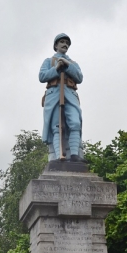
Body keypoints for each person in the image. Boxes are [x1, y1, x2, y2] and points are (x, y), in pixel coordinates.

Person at [39, 33, 84, 162]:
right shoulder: (49, 61)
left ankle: (75, 155)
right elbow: (42, 76)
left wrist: (68, 65)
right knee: (56, 126)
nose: (65, 45)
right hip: (54, 96)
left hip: (70, 94)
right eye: (62, 42)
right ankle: (59, 156)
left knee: (75, 122)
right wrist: (56, 68)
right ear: (56, 45)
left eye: (67, 43)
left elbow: (79, 78)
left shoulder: (73, 63)